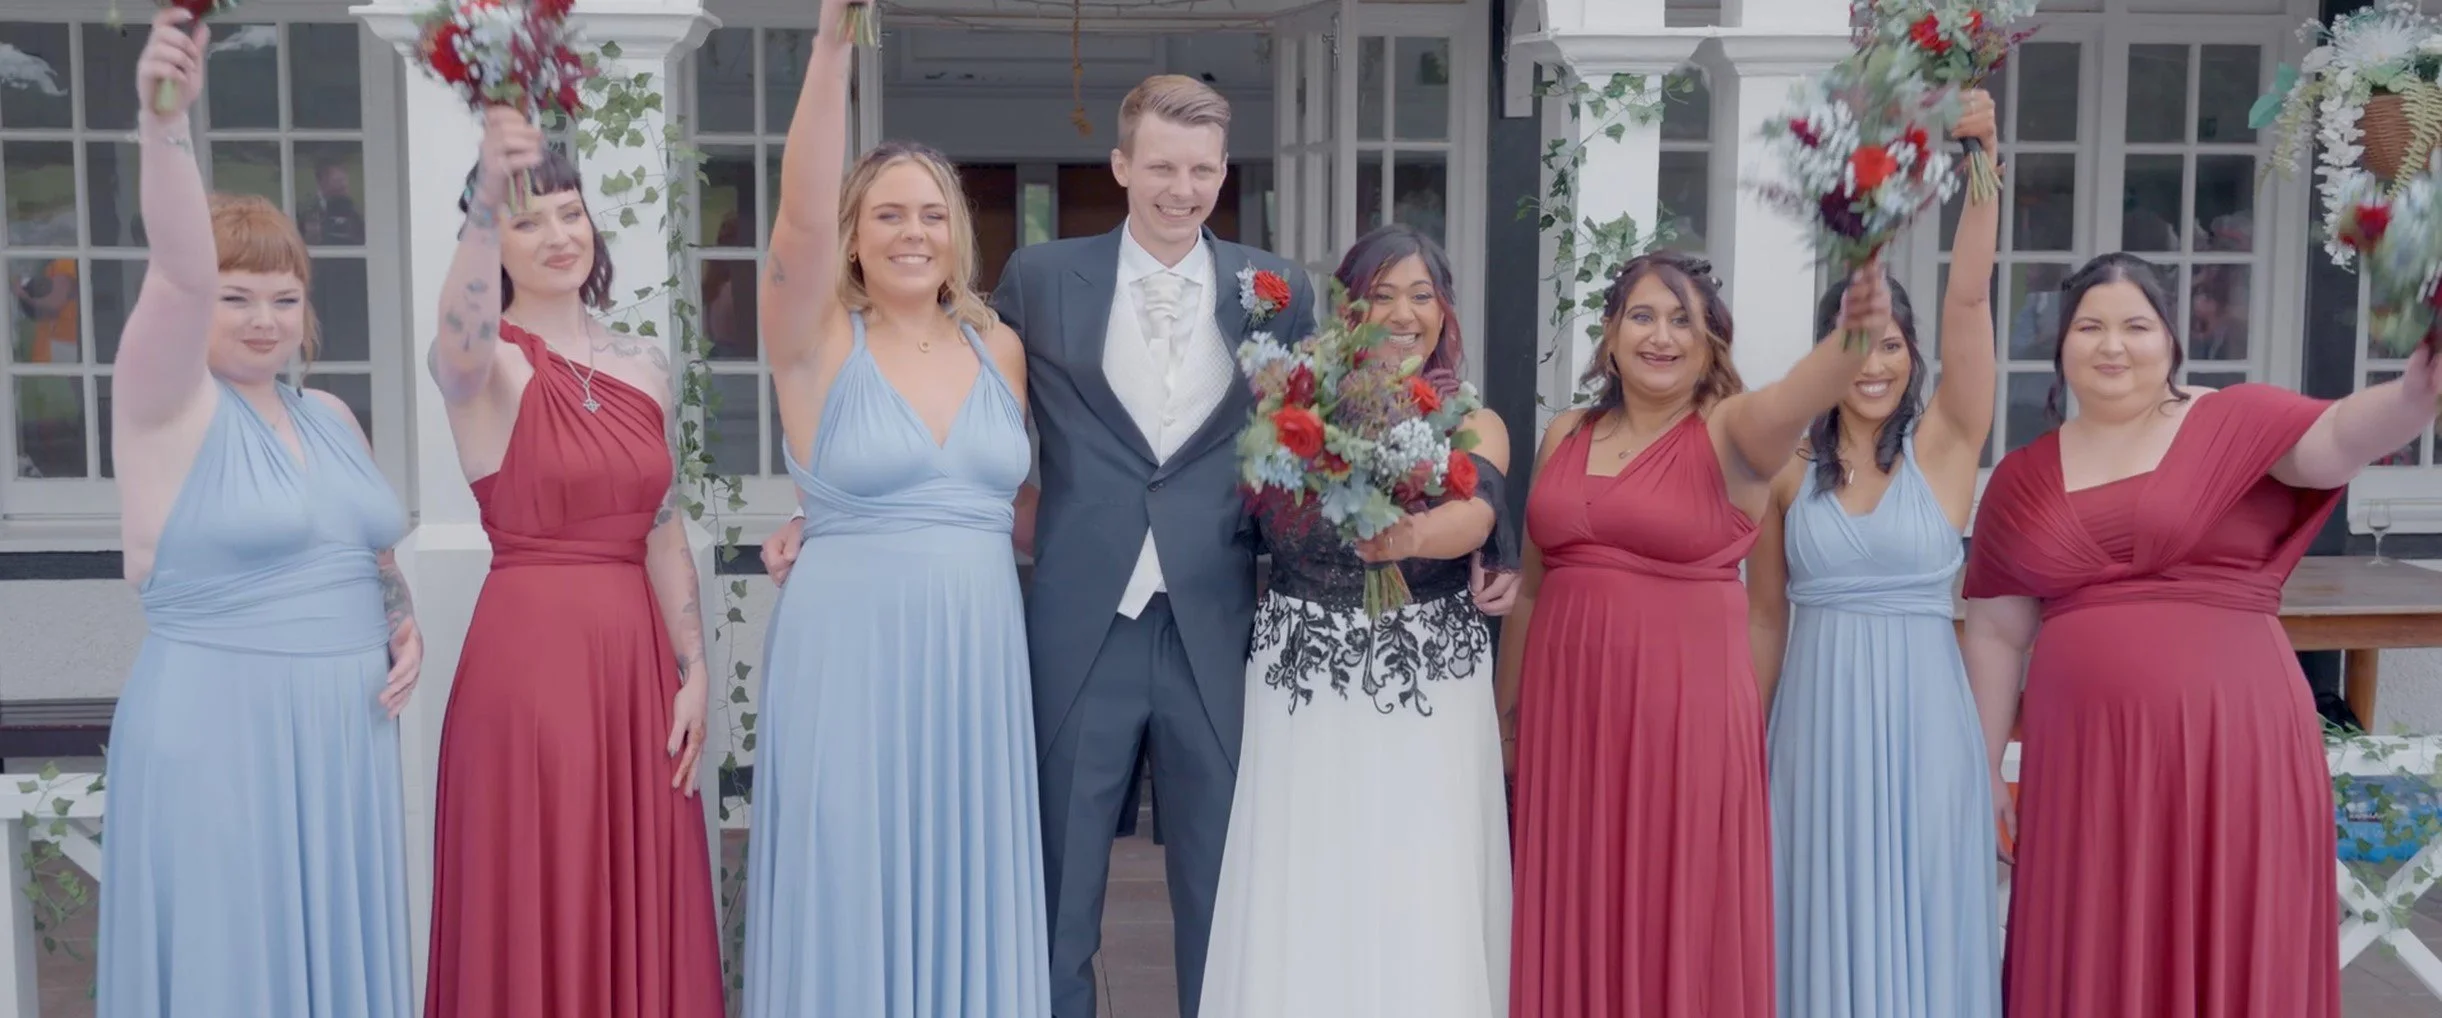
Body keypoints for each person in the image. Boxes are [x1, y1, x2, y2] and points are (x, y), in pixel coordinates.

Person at [1961, 253, 2441, 1018]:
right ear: (2061, 347)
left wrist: (2416, 393)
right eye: (2090, 327)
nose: (2112, 345)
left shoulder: (2233, 421)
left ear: (2172, 342)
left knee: (2232, 927)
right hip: (2087, 760)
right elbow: (1994, 630)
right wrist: (1981, 767)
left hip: (2232, 738)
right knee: (2099, 935)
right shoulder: (2022, 477)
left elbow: (2340, 437)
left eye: (2135, 326)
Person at [97, 10, 416, 1016]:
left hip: (343, 741)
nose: (266, 320)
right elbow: (181, 270)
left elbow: (367, 548)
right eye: (239, 299)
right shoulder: (166, 403)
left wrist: (402, 613)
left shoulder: (327, 412)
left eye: (284, 297)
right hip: (221, 729)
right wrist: (164, 127)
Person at [737, 0, 1048, 1012]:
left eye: (930, 214)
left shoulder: (997, 346)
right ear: (853, 239)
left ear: (956, 234)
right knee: (851, 870)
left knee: (967, 872)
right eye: (886, 214)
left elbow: (1021, 502)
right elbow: (793, 217)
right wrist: (830, 49)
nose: (913, 232)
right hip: (850, 651)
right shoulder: (815, 337)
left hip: (976, 653)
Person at [1499, 249, 1886, 1018]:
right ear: (1608, 336)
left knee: (1672, 911)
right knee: (1575, 907)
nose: (1661, 336)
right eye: (1641, 316)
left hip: (1686, 725)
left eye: (1685, 321)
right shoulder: (1565, 433)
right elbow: (1534, 592)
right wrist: (1504, 720)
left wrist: (1851, 338)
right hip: (1567, 724)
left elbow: (1790, 401)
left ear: (1713, 344)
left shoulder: (1730, 434)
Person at [419, 104, 724, 1018]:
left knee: (640, 877)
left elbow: (662, 523)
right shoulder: (484, 364)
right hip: (531, 665)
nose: (558, 235)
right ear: (491, 243)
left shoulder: (646, 363)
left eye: (569, 211)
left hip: (635, 661)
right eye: (526, 219)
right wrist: (484, 189)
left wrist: (696, 668)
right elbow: (460, 326)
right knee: (538, 879)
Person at [1197, 224, 1516, 1018]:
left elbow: (1476, 515)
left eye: (1421, 296)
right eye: (1381, 295)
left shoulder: (1473, 418)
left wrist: (1404, 536)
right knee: (1306, 865)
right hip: (1303, 672)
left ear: (1444, 311)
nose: (1403, 314)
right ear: (1347, 310)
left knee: (1419, 868)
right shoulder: (1289, 410)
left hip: (1423, 678)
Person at [1746, 91, 2002, 1018]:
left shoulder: (1947, 444)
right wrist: (1744, 739)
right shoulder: (1786, 470)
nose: (1875, 363)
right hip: (1814, 722)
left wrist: (1982, 166)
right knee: (1811, 911)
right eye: (1855, 342)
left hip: (1926, 723)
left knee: (1927, 908)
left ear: (1912, 353)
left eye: (1891, 343)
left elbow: (1968, 293)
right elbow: (1766, 614)